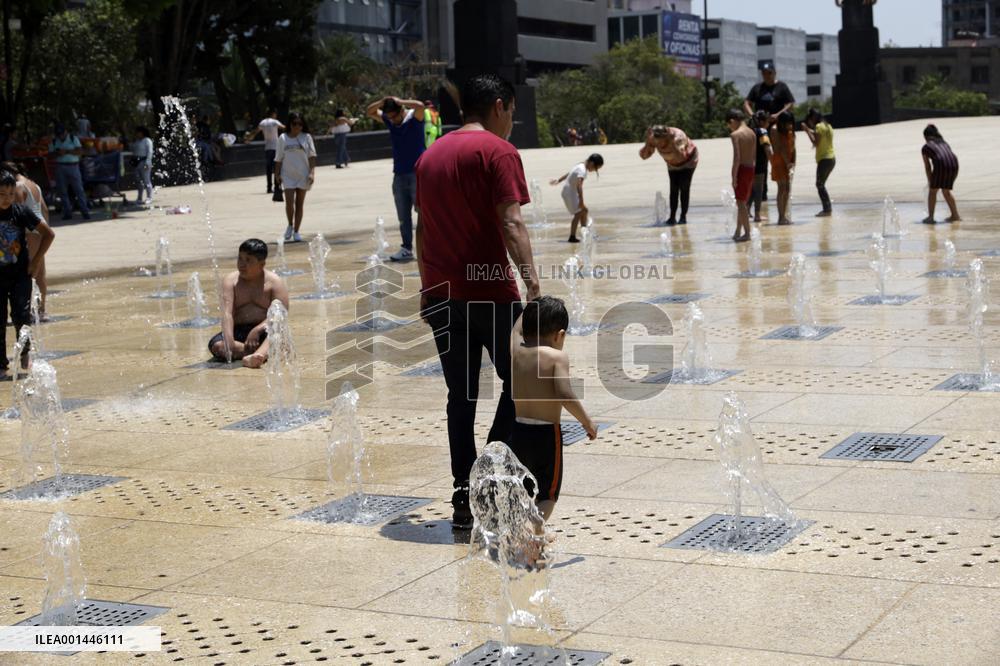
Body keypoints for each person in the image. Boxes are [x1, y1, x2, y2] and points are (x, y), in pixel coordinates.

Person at [415, 73, 541, 528]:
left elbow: (422, 230)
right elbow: (511, 223)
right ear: (501, 106)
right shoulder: (498, 151)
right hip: (490, 293)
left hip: (442, 294)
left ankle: (463, 495)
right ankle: (489, 469)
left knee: (460, 395)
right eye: (512, 112)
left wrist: (425, 285)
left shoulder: (428, 157)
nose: (512, 121)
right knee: (522, 382)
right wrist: (534, 287)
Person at [510, 296, 596, 521]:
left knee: (523, 487)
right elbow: (565, 395)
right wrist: (587, 422)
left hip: (517, 432)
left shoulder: (517, 352)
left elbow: (515, 331)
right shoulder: (557, 358)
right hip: (546, 435)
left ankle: (520, 529)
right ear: (560, 335)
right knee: (548, 494)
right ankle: (535, 532)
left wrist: (530, 301)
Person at [0, 169, 55, 379]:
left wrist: (36, 261)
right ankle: (2, 363)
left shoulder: (20, 212)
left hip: (19, 274)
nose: (7, 199)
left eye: (10, 194)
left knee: (21, 316)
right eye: (2, 195)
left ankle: (24, 354)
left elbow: (48, 234)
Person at [208, 238, 289, 368]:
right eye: (240, 258)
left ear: (262, 264)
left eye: (248, 260)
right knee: (219, 346)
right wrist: (229, 341)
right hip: (239, 332)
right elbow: (227, 313)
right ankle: (261, 354)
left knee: (277, 332)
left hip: (265, 331)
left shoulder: (274, 282)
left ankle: (260, 353)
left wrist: (257, 330)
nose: (242, 264)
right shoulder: (231, 281)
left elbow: (280, 315)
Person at [366, 96, 426, 262]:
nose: (392, 120)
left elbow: (421, 105)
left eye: (394, 116)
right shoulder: (390, 120)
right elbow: (369, 111)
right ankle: (407, 248)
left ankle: (430, 246)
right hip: (399, 175)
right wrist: (382, 102)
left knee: (424, 213)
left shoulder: (414, 118)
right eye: (389, 117)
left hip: (417, 174)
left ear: (401, 110)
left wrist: (400, 100)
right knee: (403, 216)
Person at [3, 162, 51, 322]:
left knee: (28, 271)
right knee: (40, 272)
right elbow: (44, 208)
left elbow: (16, 214)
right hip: (40, 225)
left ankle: (26, 311)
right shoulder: (34, 184)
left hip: (29, 229)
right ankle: (42, 310)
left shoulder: (16, 186)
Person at [744, 63, 795, 202]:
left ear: (774, 73)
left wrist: (778, 114)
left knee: (780, 154)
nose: (767, 76)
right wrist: (752, 115)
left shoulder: (782, 87)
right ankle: (762, 193)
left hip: (777, 128)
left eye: (769, 73)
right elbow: (747, 102)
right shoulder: (757, 88)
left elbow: (790, 103)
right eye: (764, 73)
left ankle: (784, 189)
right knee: (761, 159)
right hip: (761, 130)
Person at [639, 125, 699, 226]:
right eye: (655, 142)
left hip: (688, 160)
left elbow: (681, 157)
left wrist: (672, 144)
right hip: (672, 162)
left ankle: (683, 217)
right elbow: (644, 156)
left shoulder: (678, 137)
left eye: (660, 142)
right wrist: (648, 143)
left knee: (684, 187)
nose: (658, 144)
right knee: (674, 188)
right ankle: (672, 217)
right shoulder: (654, 138)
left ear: (665, 136)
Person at [274, 112, 317, 243]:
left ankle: (297, 231)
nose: (297, 127)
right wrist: (276, 174)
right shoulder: (283, 138)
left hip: (303, 174)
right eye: (294, 124)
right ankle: (290, 225)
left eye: (300, 124)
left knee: (299, 204)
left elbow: (312, 156)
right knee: (289, 202)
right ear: (290, 124)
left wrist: (312, 172)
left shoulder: (306, 137)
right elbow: (278, 158)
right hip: (288, 175)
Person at [550, 153, 603, 242]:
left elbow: (569, 173)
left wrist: (558, 180)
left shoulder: (580, 165)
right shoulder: (582, 170)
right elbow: (579, 185)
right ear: (592, 163)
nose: (594, 170)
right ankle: (572, 237)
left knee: (584, 211)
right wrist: (581, 200)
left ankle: (585, 232)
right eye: (596, 168)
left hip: (569, 191)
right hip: (569, 193)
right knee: (578, 213)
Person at [49, 123, 90, 221]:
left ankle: (85, 211)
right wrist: (57, 153)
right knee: (63, 191)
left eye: (62, 134)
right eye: (58, 134)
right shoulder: (54, 141)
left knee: (79, 190)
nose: (61, 136)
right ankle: (67, 212)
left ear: (66, 132)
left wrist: (67, 152)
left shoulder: (73, 139)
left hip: (73, 166)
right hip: (60, 167)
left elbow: (80, 151)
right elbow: (50, 155)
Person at [921, 124, 960, 224]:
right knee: (946, 191)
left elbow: (928, 166)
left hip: (941, 164)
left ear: (926, 136)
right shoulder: (944, 142)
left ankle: (930, 217)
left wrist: (930, 181)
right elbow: (949, 155)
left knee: (933, 191)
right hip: (954, 165)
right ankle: (955, 215)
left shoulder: (926, 147)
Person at [726, 109, 755, 242]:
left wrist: (733, 177)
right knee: (741, 202)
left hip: (742, 169)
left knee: (741, 203)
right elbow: (753, 155)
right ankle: (738, 230)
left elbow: (737, 157)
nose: (729, 127)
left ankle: (747, 233)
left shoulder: (735, 135)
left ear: (732, 121)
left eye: (729, 124)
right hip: (751, 168)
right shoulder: (752, 133)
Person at [802, 108, 835, 217]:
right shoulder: (827, 125)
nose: (810, 123)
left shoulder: (818, 127)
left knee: (819, 184)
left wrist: (807, 131)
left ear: (813, 118)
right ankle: (827, 208)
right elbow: (819, 135)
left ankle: (827, 209)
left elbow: (815, 142)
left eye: (810, 120)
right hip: (831, 158)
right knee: (821, 184)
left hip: (824, 160)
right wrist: (809, 129)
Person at [244, 110, 286, 193]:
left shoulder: (262, 123)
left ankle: (269, 188)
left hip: (267, 148)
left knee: (269, 169)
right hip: (276, 148)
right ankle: (277, 187)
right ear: (273, 114)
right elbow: (284, 127)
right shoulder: (274, 122)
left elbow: (255, 132)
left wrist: (248, 138)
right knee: (277, 168)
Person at [770, 111, 797, 225]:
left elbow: (793, 147)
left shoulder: (789, 130)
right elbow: (779, 148)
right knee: (782, 188)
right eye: (787, 123)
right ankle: (781, 217)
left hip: (788, 161)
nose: (789, 125)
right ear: (782, 122)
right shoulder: (775, 129)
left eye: (791, 123)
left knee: (788, 189)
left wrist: (793, 162)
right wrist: (787, 163)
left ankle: (784, 215)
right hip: (779, 161)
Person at [749, 110, 773, 222]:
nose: (768, 124)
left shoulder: (750, 131)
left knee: (752, 189)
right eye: (767, 121)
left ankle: (747, 210)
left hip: (749, 163)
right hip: (760, 165)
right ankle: (757, 215)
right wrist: (772, 161)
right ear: (762, 121)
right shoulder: (763, 131)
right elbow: (767, 148)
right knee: (759, 189)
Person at [132, 126, 154, 205]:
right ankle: (139, 197)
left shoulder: (147, 140)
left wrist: (148, 162)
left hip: (144, 161)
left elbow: (150, 152)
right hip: (137, 162)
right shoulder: (137, 141)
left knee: (146, 180)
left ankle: (149, 197)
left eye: (138, 132)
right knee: (138, 181)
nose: (137, 134)